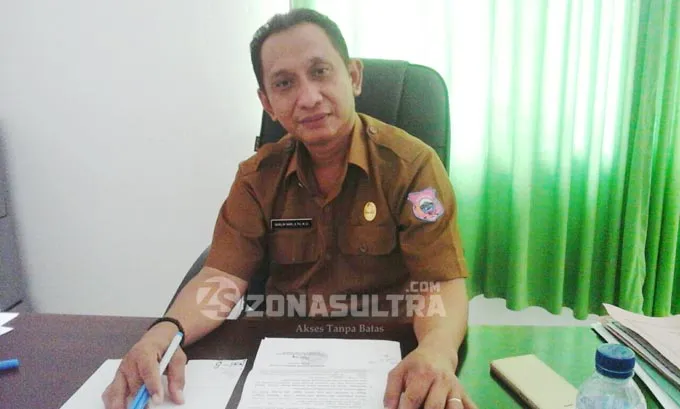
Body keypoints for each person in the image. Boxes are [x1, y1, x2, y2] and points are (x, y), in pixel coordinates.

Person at [102, 8, 476, 409]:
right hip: (283, 361)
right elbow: (222, 277)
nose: (309, 98)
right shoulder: (257, 177)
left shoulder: (411, 166)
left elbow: (439, 282)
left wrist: (437, 350)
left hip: (389, 356)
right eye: (284, 83)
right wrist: (166, 331)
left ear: (353, 77)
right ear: (267, 102)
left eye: (320, 72)